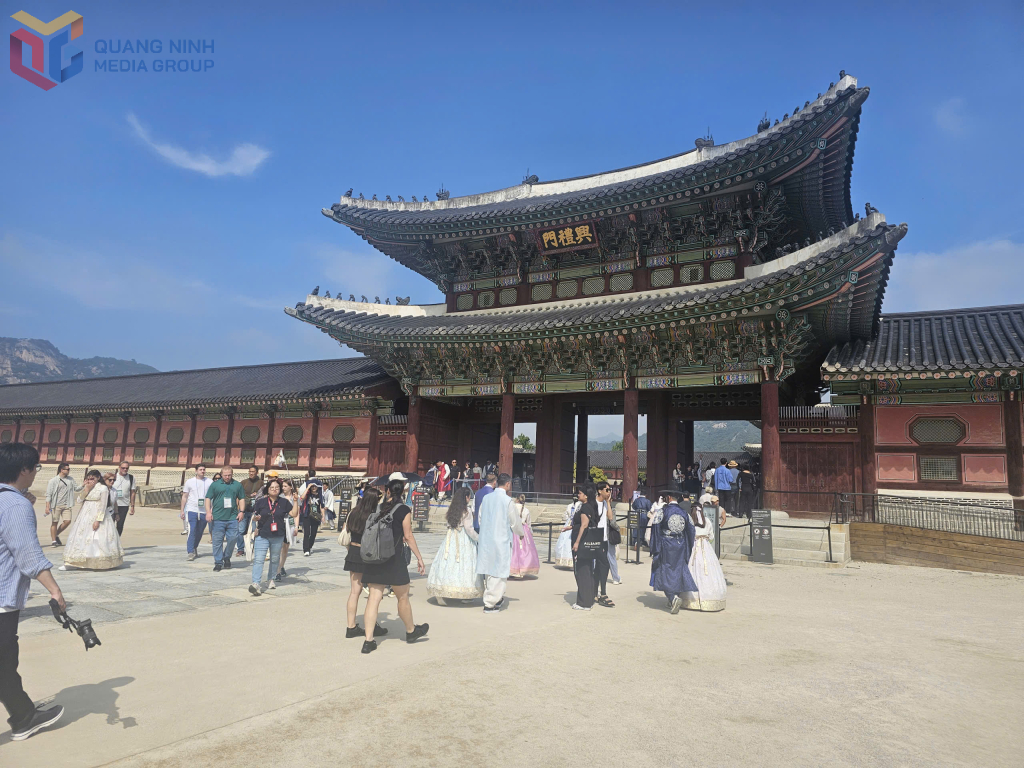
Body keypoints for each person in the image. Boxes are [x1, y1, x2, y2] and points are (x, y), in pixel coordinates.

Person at [0, 443, 66, 740]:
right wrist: (55, 591)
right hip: (1, 597)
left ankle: (22, 711)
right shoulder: (15, 505)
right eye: (36, 468)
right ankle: (25, 718)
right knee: (3, 661)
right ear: (24, 469)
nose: (35, 474)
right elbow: (28, 555)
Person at [360, 479, 428, 654]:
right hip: (394, 559)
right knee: (403, 597)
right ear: (403, 492)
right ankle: (411, 631)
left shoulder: (377, 509)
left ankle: (368, 641)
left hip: (375, 558)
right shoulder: (404, 510)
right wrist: (419, 558)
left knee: (373, 599)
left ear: (387, 491)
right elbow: (408, 536)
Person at [341, 488, 387, 638]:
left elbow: (346, 530)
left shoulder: (353, 512)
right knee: (374, 593)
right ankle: (372, 625)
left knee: (354, 592)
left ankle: (350, 626)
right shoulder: (374, 516)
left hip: (353, 552)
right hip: (369, 554)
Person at [475, 473, 524, 613]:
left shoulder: (486, 498)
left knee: (489, 570)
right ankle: (490, 603)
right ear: (508, 484)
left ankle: (496, 597)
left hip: (486, 539)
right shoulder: (508, 501)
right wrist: (520, 533)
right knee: (499, 571)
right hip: (500, 539)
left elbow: (479, 517)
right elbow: (515, 522)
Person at [426, 486, 483, 603]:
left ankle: (440, 591)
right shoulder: (466, 511)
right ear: (466, 498)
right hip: (463, 539)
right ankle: (465, 594)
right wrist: (479, 538)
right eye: (469, 497)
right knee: (465, 565)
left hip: (450, 537)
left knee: (446, 563)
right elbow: (469, 529)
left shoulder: (452, 509)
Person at [61, 470, 124, 571]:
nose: (90, 481)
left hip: (97, 515)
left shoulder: (103, 488)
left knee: (97, 538)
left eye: (92, 479)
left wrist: (98, 520)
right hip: (85, 515)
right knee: (80, 537)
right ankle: (73, 562)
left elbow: (103, 506)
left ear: (98, 478)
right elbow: (79, 500)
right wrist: (86, 488)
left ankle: (98, 561)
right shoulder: (87, 488)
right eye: (88, 479)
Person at [649, 487, 697, 614]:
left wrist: (655, 547)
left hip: (666, 544)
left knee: (664, 570)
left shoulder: (662, 511)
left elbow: (655, 529)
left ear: (669, 498)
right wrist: (688, 545)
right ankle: (673, 599)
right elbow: (691, 530)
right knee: (678, 570)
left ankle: (673, 597)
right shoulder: (684, 512)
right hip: (680, 544)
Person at [247, 478, 292, 596]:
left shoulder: (284, 502)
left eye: (277, 487)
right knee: (259, 559)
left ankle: (270, 579)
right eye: (272, 487)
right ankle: (256, 583)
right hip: (263, 534)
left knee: (275, 559)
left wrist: (296, 501)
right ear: (268, 489)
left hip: (278, 535)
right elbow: (254, 515)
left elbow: (294, 513)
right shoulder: (261, 502)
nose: (274, 489)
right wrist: (255, 519)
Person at [683, 503, 727, 612]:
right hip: (705, 547)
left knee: (693, 568)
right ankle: (711, 599)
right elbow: (711, 536)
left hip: (694, 546)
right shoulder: (707, 520)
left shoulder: (690, 521)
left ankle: (691, 600)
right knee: (708, 570)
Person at [205, 466, 245, 572]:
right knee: (217, 541)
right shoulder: (215, 485)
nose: (227, 477)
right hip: (217, 518)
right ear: (221, 474)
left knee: (233, 538)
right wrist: (208, 512)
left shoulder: (237, 485)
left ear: (232, 474)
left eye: (229, 475)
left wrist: (241, 511)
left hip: (232, 517)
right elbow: (208, 498)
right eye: (225, 475)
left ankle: (226, 557)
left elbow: (241, 498)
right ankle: (218, 562)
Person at [570, 484, 599, 611]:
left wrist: (576, 542)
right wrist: (569, 527)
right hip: (586, 542)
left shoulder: (586, 507)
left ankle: (584, 602)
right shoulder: (589, 506)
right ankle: (588, 599)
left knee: (582, 570)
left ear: (586, 496)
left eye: (580, 493)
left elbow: (584, 525)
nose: (578, 494)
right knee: (586, 570)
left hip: (581, 542)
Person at [44, 462, 81, 547]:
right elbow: (48, 494)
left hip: (67, 504)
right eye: (67, 469)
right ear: (61, 470)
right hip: (56, 505)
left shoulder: (70, 479)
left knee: (67, 521)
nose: (69, 470)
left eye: (69, 469)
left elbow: (77, 489)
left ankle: (56, 534)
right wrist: (47, 507)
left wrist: (84, 485)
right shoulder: (53, 481)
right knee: (54, 522)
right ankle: (54, 540)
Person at [181, 464, 212, 561]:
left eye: (204, 469)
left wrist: (211, 510)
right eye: (200, 469)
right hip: (192, 510)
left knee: (199, 532)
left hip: (204, 511)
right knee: (192, 530)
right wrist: (182, 510)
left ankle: (194, 547)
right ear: (196, 471)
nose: (202, 471)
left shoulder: (209, 482)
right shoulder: (189, 482)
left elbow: (212, 497)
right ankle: (190, 551)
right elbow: (185, 496)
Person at [593, 482, 615, 607]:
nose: (609, 491)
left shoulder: (605, 504)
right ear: (600, 491)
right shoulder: (594, 503)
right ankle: (602, 593)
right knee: (604, 564)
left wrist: (608, 502)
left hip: (604, 538)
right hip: (596, 537)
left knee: (600, 566)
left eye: (609, 489)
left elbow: (610, 518)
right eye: (607, 489)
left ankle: (597, 592)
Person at [508, 493, 540, 579]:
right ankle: (522, 569)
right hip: (523, 530)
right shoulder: (526, 510)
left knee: (514, 550)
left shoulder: (512, 507)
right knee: (523, 550)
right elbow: (528, 524)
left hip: (513, 529)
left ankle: (512, 569)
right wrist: (530, 533)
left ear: (517, 499)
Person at [275, 477, 299, 579]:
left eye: (285, 486)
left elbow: (297, 514)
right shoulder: (279, 497)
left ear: (290, 487)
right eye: (282, 486)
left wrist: (297, 527)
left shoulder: (295, 498)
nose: (283, 488)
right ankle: (277, 570)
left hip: (290, 524)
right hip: (280, 523)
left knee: (285, 548)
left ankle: (280, 568)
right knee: (278, 548)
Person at [237, 466, 263, 558]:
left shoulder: (261, 483)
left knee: (253, 531)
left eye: (253, 471)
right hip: (243, 510)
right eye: (250, 471)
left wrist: (257, 495)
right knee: (241, 530)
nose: (251, 473)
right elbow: (238, 495)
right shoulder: (243, 482)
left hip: (255, 511)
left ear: (257, 472)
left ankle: (252, 548)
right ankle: (240, 549)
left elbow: (264, 495)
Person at [111, 461, 137, 536]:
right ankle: (110, 541)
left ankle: (117, 541)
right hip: (112, 504)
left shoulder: (131, 478)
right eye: (123, 468)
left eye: (126, 468)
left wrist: (132, 506)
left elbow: (132, 492)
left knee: (120, 525)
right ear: (119, 467)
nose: (125, 469)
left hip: (124, 504)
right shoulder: (113, 477)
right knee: (110, 524)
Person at [299, 482, 324, 556]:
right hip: (307, 515)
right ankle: (306, 549)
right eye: (312, 487)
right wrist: (307, 487)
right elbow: (301, 498)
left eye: (315, 487)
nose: (313, 488)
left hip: (316, 516)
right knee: (307, 533)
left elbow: (321, 506)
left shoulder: (320, 495)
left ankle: (309, 547)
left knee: (313, 533)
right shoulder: (307, 495)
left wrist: (323, 516)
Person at [554, 498, 578, 569]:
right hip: (571, 522)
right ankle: (568, 561)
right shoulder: (573, 505)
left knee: (568, 541)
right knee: (567, 541)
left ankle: (571, 561)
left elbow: (566, 515)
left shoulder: (574, 505)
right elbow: (566, 515)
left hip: (572, 523)